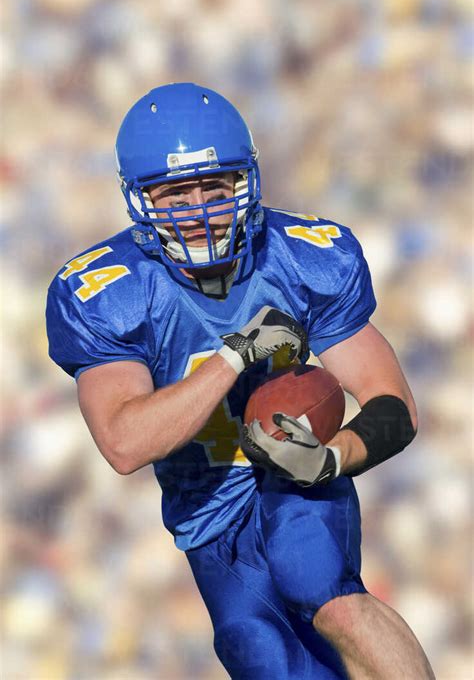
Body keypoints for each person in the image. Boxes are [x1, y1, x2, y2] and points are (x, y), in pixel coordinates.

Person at [46, 83, 434, 679]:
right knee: (259, 652)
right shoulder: (107, 293)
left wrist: (331, 460)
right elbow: (124, 443)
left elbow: (394, 402)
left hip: (295, 480)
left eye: (214, 187)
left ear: (245, 183)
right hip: (209, 516)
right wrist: (236, 354)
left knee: (326, 593)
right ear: (140, 198)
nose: (199, 209)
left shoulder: (300, 257)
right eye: (176, 193)